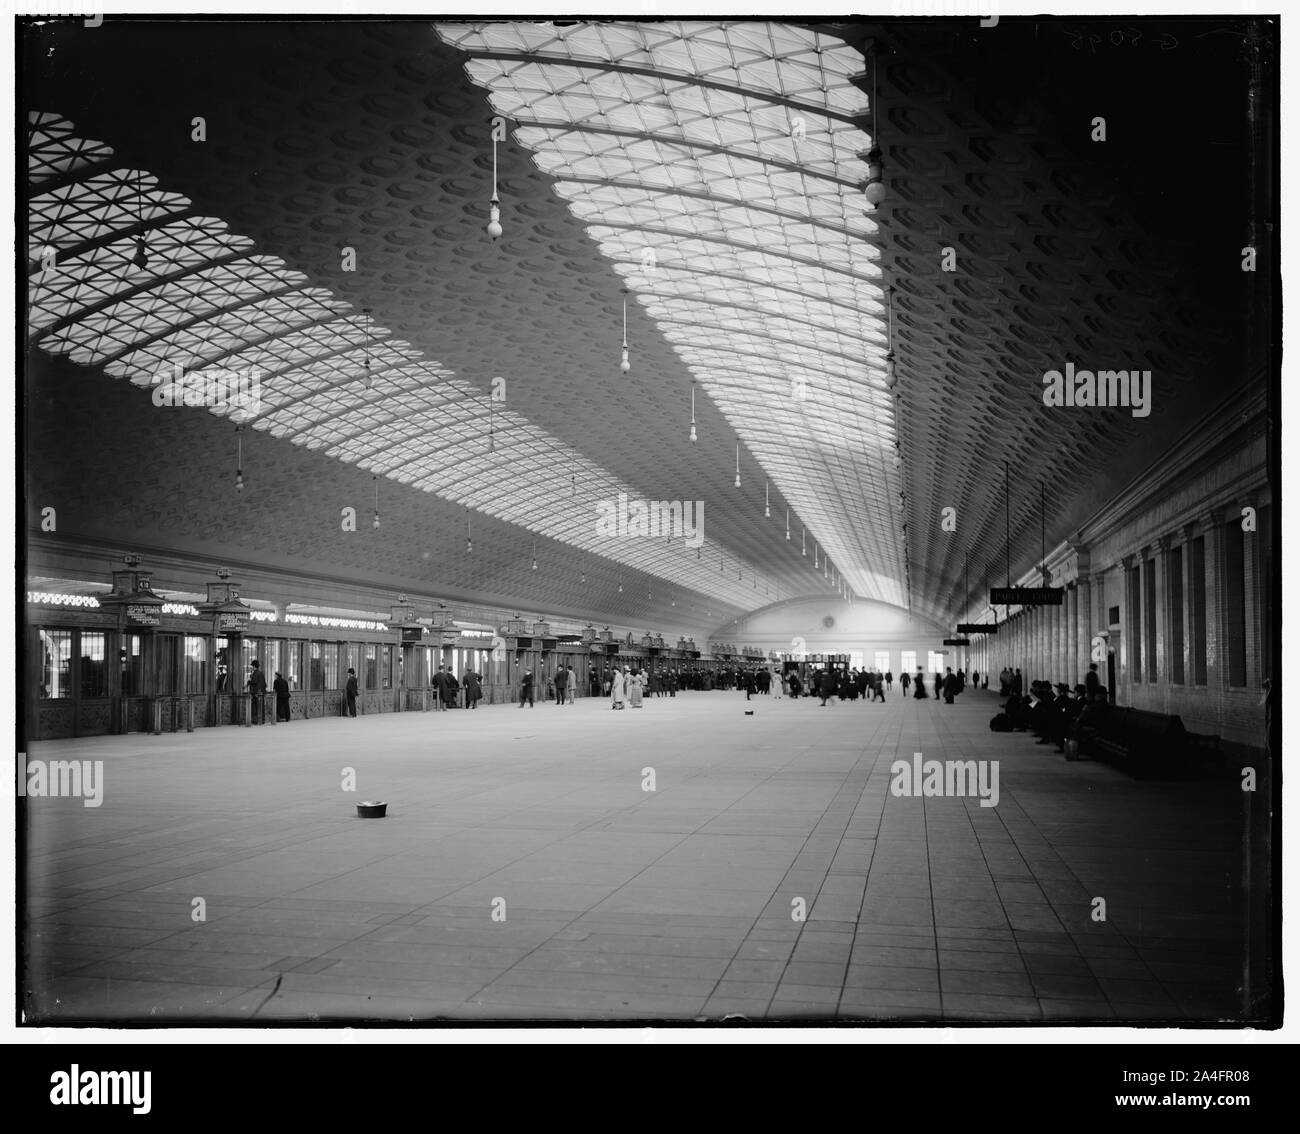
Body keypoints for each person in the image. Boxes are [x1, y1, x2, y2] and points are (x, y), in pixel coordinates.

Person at [247, 659, 267, 724]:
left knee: (255, 707)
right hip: (261, 692)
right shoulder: (261, 673)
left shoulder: (255, 673)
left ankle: (256, 720)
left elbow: (254, 682)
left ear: (254, 666)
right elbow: (265, 684)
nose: (251, 667)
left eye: (252, 666)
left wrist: (249, 681)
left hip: (255, 692)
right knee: (261, 706)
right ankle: (262, 719)